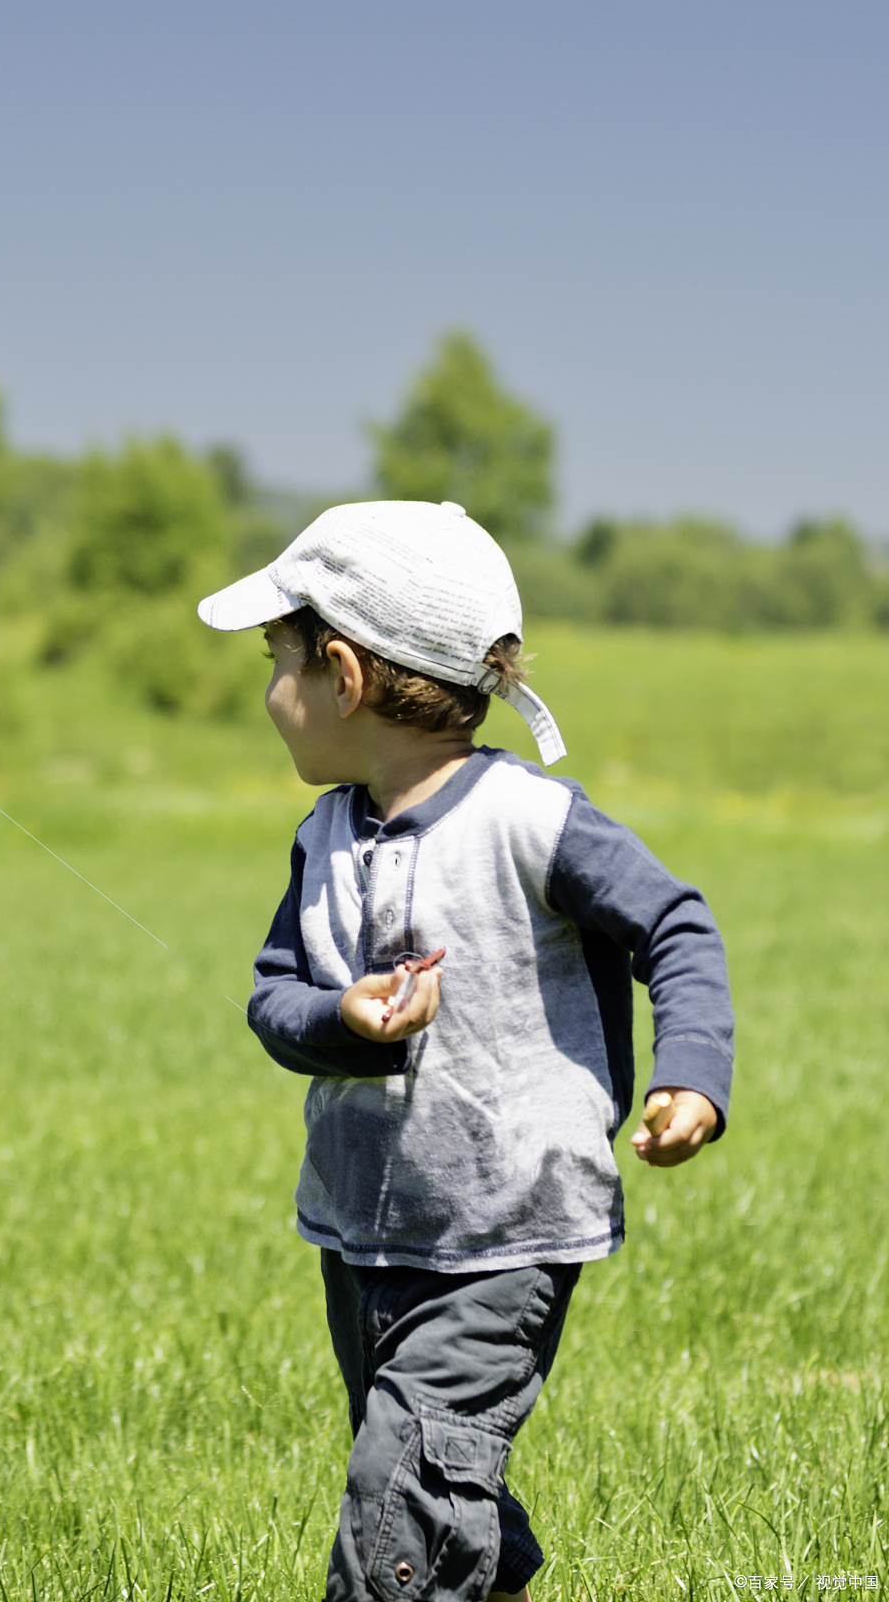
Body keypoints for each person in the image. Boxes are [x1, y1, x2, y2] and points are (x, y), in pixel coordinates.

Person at [197, 500, 733, 1602]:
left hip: (506, 1228)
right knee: (426, 1474)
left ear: (340, 673)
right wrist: (340, 1021)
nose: (269, 692)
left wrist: (690, 1071)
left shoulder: (530, 821)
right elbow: (271, 1000)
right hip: (361, 1228)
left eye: (276, 660)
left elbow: (673, 925)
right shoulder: (323, 837)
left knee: (397, 1510)